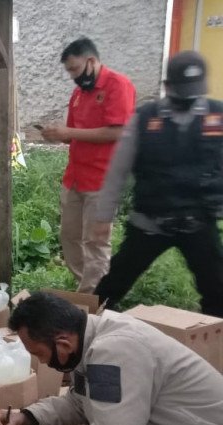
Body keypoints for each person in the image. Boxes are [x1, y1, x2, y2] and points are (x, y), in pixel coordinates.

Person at [0, 291, 223, 425]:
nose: (41, 362)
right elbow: (80, 401)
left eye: (38, 354)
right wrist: (27, 417)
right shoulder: (89, 340)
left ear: (63, 342)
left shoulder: (114, 351)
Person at [93, 51, 223, 317]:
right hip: (151, 222)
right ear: (167, 87)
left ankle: (212, 341)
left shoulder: (217, 117)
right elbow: (118, 171)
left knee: (217, 290)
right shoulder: (145, 118)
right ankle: (87, 329)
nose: (187, 98)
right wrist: (103, 216)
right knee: (112, 285)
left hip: (199, 221)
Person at [42, 37, 136, 293]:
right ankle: (91, 292)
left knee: (95, 241)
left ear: (91, 61)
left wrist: (69, 131)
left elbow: (117, 132)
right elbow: (74, 133)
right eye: (68, 71)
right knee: (70, 238)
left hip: (102, 180)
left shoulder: (118, 85)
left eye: (74, 69)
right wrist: (57, 134)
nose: (72, 76)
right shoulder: (78, 93)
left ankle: (92, 303)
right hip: (75, 177)